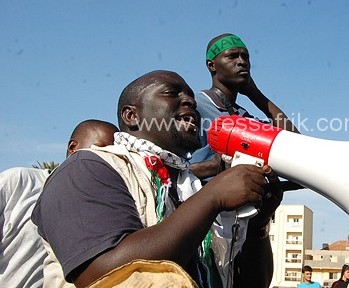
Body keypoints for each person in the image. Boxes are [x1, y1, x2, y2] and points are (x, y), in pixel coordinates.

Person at [31, 70, 283, 288]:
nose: (189, 102)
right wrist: (213, 197)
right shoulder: (88, 168)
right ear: (132, 116)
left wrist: (258, 227)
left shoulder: (189, 188)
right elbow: (103, 274)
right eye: (172, 93)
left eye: (192, 99)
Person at [0, 119, 118, 288]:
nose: (110, 161)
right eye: (102, 150)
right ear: (72, 148)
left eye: (116, 155)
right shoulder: (19, 182)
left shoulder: (110, 210)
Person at [189, 33, 298, 180]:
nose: (242, 62)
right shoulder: (194, 105)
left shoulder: (244, 117)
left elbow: (293, 145)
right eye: (232, 56)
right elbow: (168, 166)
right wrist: (213, 167)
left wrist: (256, 95)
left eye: (245, 57)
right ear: (212, 65)